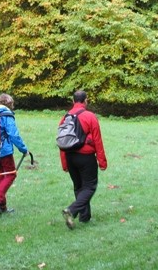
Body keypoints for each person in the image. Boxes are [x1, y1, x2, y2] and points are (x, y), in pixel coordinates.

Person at [59, 90, 107, 230]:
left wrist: (64, 163)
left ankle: (85, 218)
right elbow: (97, 140)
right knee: (90, 186)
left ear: (73, 101)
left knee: (79, 187)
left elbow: (62, 142)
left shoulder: (65, 117)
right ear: (85, 101)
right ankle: (72, 211)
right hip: (86, 157)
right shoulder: (90, 116)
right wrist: (102, 161)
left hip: (70, 157)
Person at [0, 93, 28, 215]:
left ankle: (1, 206)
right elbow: (13, 134)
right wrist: (23, 149)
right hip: (4, 151)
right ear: (10, 104)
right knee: (11, 174)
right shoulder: (7, 115)